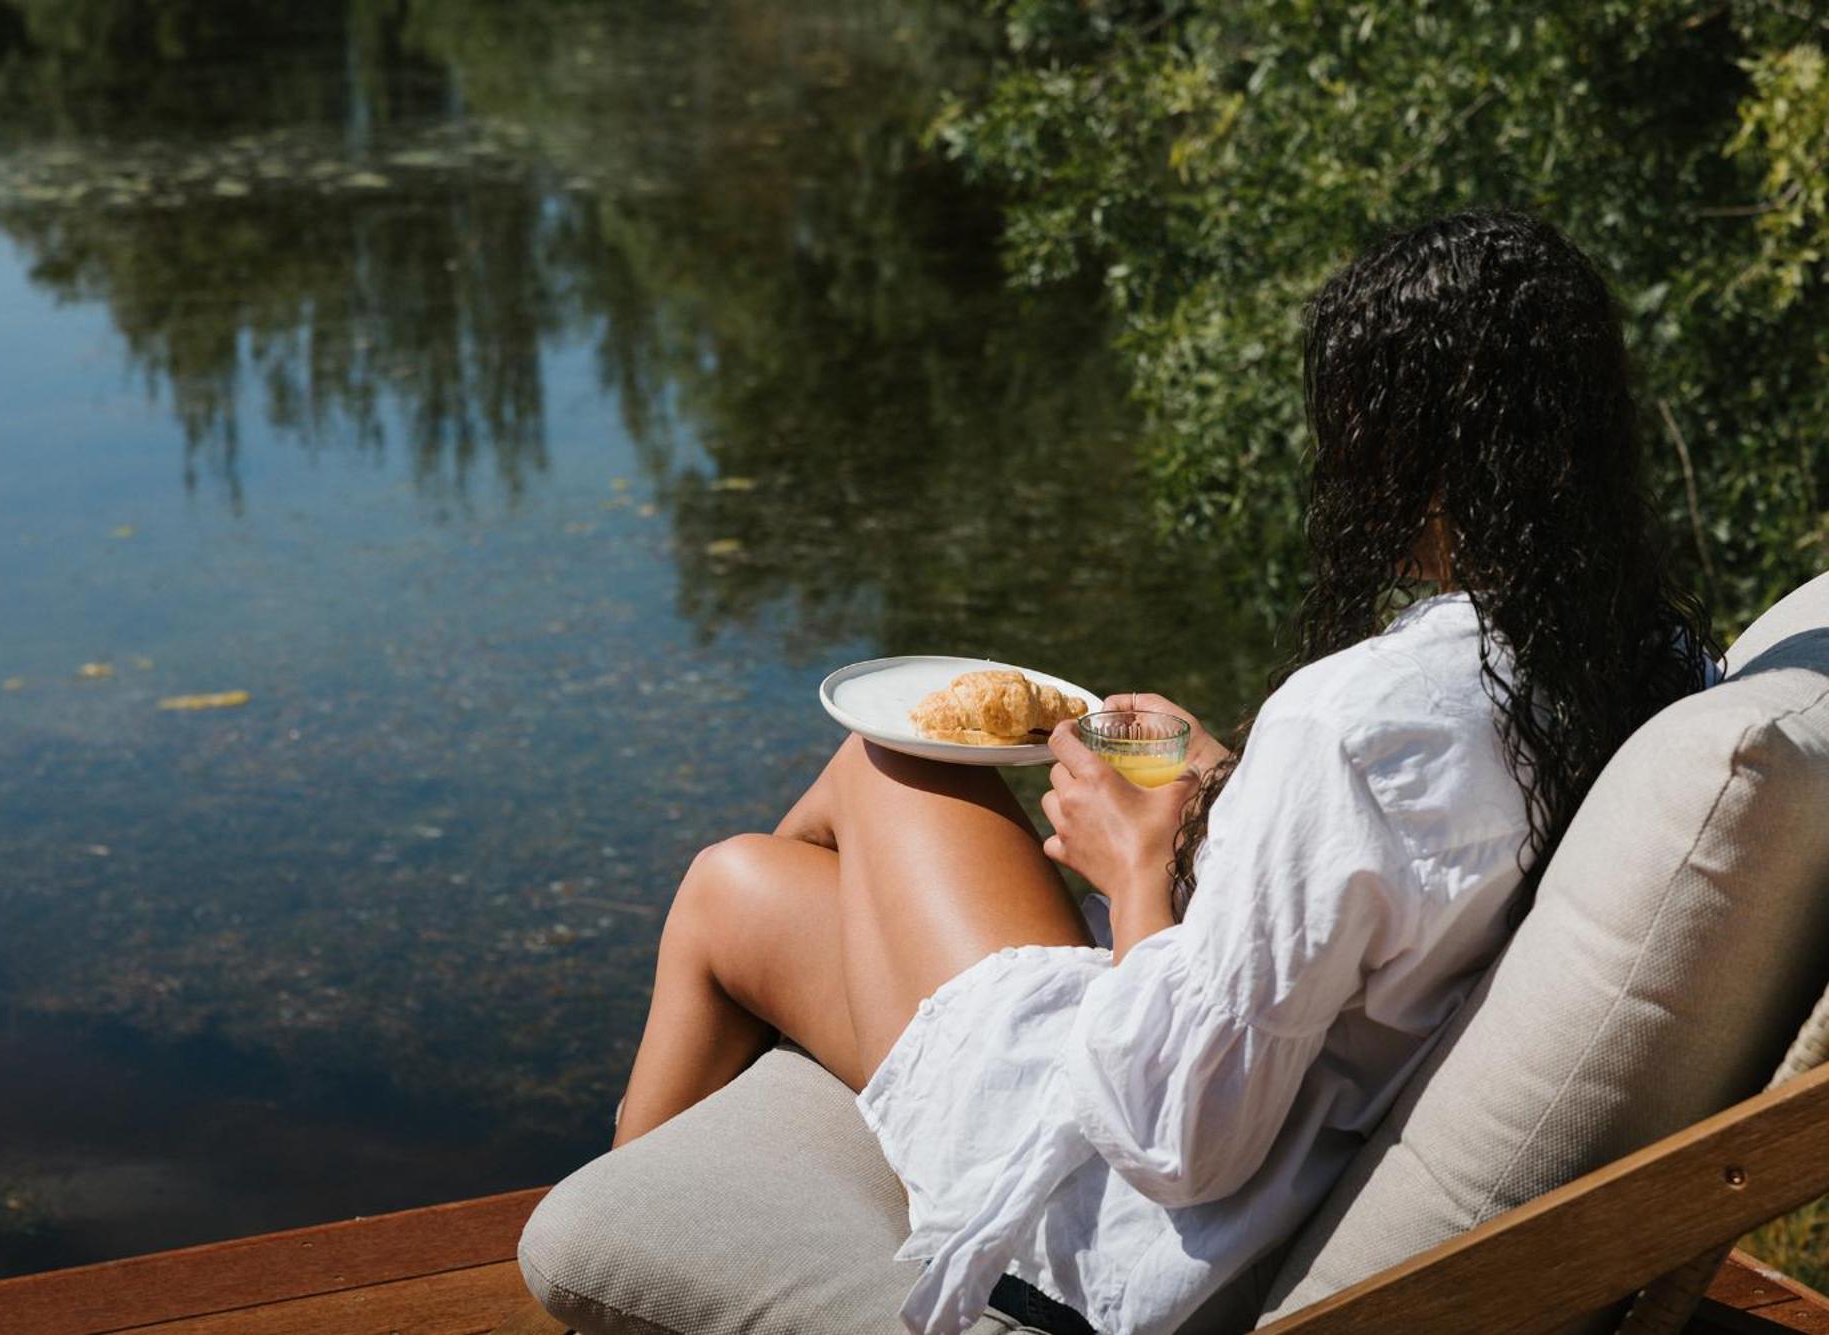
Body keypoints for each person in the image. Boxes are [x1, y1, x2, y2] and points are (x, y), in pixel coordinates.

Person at [608, 208, 1716, 1335]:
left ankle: (623, 1253)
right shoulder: (1641, 661)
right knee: (731, 882)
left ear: (1406, 445)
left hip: (1121, 1231)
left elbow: (1180, 1140)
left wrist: (1135, 866)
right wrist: (1221, 778)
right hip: (1279, 1129)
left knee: (878, 765)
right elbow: (1409, 882)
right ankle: (646, 1222)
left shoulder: (1351, 721)